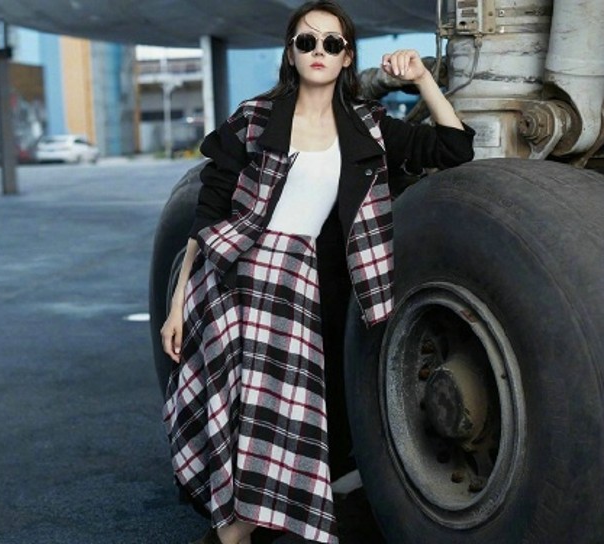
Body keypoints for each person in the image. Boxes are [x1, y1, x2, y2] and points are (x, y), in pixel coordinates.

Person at [159, 2, 476, 543]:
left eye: (333, 43)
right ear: (291, 53)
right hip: (232, 283)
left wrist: (423, 78)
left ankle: (240, 529)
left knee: (280, 419)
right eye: (307, 41)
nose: (319, 52)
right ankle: (233, 531)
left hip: (298, 290)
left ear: (347, 56)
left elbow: (454, 147)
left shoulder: (368, 128)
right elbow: (208, 215)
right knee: (234, 415)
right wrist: (176, 306)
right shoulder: (255, 119)